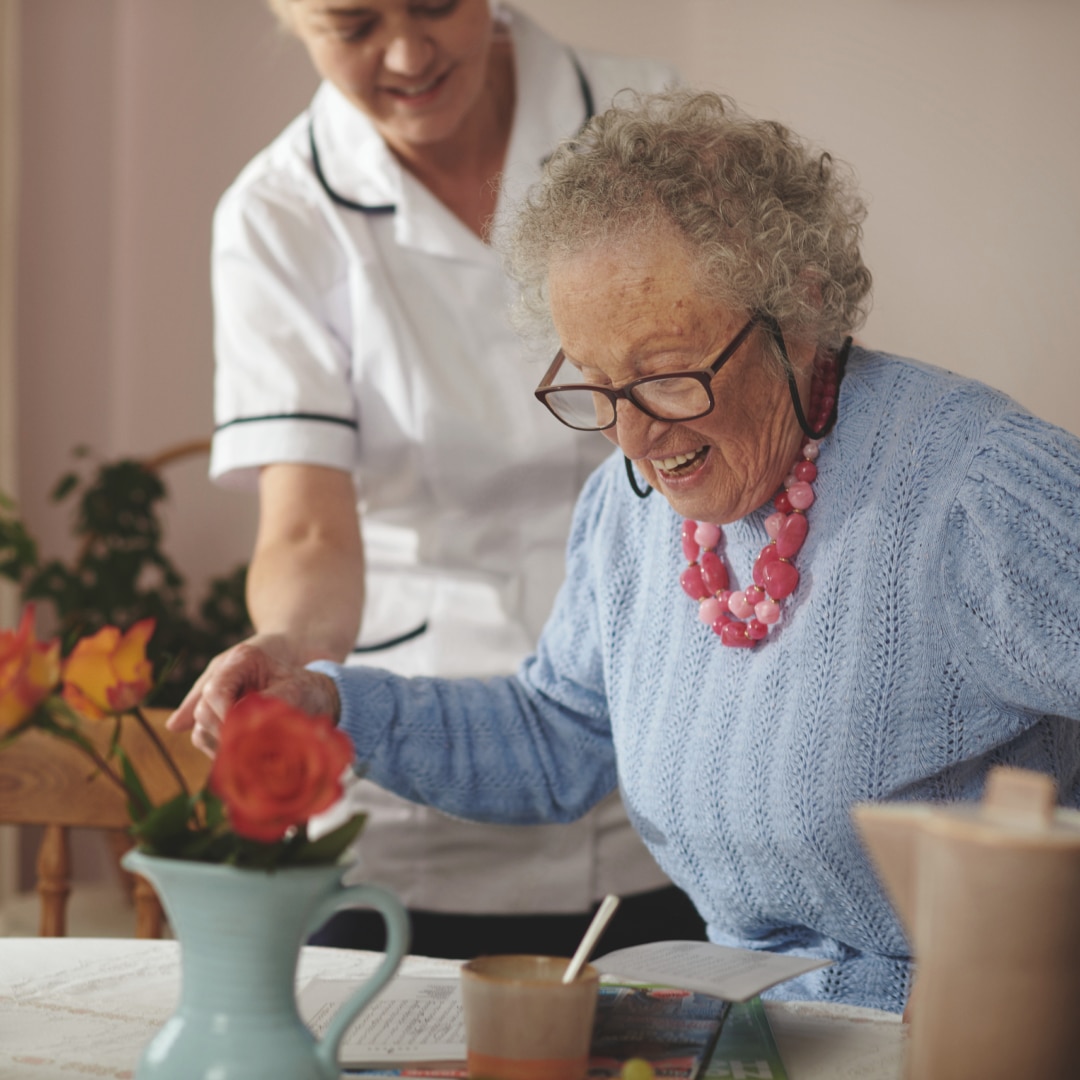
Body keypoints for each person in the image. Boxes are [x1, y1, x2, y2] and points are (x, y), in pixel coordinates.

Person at [174, 88, 1080, 1011]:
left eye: (665, 377)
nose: (635, 437)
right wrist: (327, 701)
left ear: (800, 311)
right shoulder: (630, 509)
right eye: (597, 387)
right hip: (756, 1031)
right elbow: (559, 736)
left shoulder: (977, 493)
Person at [171, 0, 706, 957]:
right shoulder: (279, 213)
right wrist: (289, 655)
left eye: (436, 6)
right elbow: (307, 530)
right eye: (355, 24)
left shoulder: (647, 121)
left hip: (656, 741)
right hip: (415, 776)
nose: (410, 53)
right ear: (290, 20)